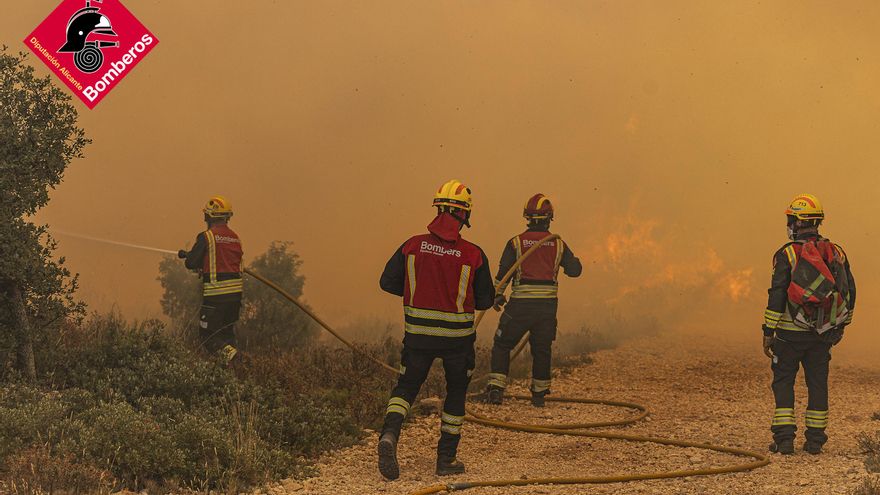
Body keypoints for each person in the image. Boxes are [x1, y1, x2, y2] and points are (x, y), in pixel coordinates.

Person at [377, 179, 495, 480]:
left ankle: (389, 435)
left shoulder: (412, 245)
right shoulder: (474, 254)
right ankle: (446, 460)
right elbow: (485, 300)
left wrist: (420, 290)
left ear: (438, 209)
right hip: (458, 341)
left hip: (418, 337)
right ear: (464, 214)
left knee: (406, 388)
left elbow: (387, 282)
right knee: (455, 393)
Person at [763, 193, 855, 455]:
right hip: (822, 334)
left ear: (798, 222)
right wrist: (841, 326)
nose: (789, 224)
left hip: (789, 336)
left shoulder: (787, 254)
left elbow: (777, 295)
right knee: (817, 383)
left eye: (790, 219)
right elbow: (849, 292)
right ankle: (815, 441)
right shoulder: (836, 252)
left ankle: (784, 440)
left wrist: (768, 331)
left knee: (783, 382)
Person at [485, 193, 582, 407]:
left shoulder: (516, 243)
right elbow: (575, 271)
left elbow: (503, 274)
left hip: (519, 308)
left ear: (527, 217)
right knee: (541, 348)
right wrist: (575, 262)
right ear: (550, 218)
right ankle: (539, 396)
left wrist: (497, 296)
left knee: (502, 344)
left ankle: (496, 391)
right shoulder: (558, 244)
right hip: (546, 310)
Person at [177, 195, 244, 364]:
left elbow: (191, 262)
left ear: (209, 216)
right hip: (235, 298)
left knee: (208, 337)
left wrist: (191, 258)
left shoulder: (207, 237)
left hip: (216, 296)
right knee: (226, 334)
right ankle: (234, 372)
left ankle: (236, 359)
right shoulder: (235, 238)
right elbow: (225, 263)